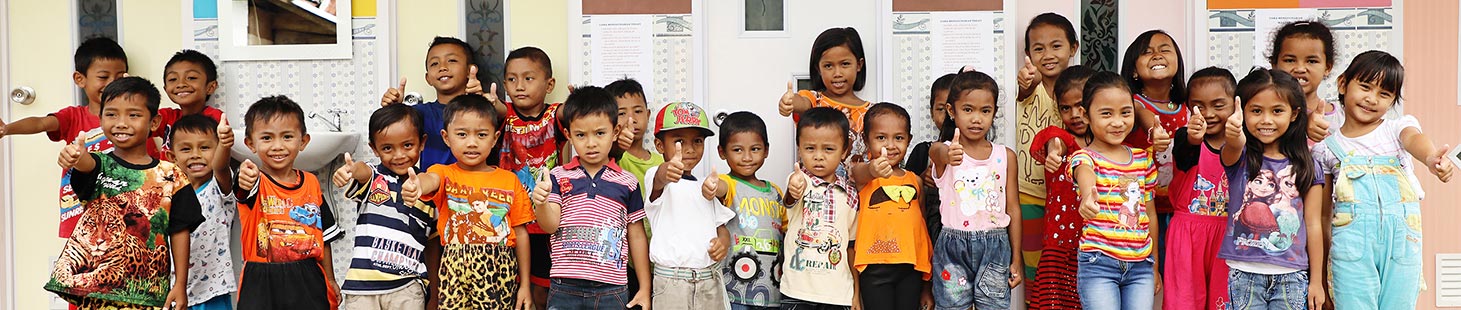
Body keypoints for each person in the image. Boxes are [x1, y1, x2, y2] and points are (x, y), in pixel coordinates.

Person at [47, 76, 202, 309]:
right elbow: (86, 164)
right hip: (96, 294)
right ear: (100, 120)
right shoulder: (98, 165)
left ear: (154, 122)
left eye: (134, 115)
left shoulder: (172, 175)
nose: (121, 122)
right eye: (111, 114)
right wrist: (75, 157)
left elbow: (180, 232)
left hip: (148, 294)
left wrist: (180, 284)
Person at [1315, 51, 1455, 309]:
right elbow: (1323, 216)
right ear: (1343, 84)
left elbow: (1415, 140)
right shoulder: (1326, 149)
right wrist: (1321, 278)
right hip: (1350, 251)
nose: (1372, 99)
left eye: (1384, 93)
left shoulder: (1396, 129)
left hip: (1402, 245)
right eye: (1365, 87)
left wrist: (1431, 158)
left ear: (1393, 100)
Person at [530, 86, 651, 310]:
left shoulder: (627, 182)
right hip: (565, 286)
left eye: (600, 133)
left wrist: (645, 287)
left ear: (615, 132)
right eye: (581, 135)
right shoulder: (557, 176)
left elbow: (636, 236)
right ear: (568, 134)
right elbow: (549, 225)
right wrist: (541, 203)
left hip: (611, 288)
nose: (591, 143)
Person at [1218, 68, 1327, 310]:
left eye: (1277, 111)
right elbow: (1233, 146)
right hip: (1244, 275)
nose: (1266, 120)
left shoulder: (1309, 166)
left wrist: (1317, 281)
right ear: (1243, 111)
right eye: (1256, 111)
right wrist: (1234, 133)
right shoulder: (1240, 157)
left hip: (1293, 276)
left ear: (1294, 114)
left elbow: (1313, 225)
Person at [0, 37, 129, 238]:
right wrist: (8, 128)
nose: (113, 83)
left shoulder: (136, 118)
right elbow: (41, 123)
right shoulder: (73, 116)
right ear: (80, 79)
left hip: (125, 210)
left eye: (120, 76)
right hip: (82, 213)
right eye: (103, 77)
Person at [420, 95, 537, 309]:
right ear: (446, 137)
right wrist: (416, 185)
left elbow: (521, 234)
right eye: (462, 134)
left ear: (494, 138)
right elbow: (429, 180)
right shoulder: (444, 173)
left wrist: (525, 285)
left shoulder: (509, 180)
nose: (472, 143)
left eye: (481, 134)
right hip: (453, 270)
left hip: (498, 270)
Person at [234, 95, 342, 310]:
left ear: (303, 141)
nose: (277, 146)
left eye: (287, 136)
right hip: (261, 279)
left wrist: (330, 279)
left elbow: (325, 238)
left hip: (308, 275)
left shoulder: (311, 183)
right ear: (250, 144)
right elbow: (242, 187)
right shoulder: (254, 181)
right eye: (266, 138)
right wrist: (243, 178)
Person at [928, 71, 1022, 310]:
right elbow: (935, 152)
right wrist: (947, 154)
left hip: (996, 246)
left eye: (985, 111)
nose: (976, 119)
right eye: (968, 110)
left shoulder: (1005, 156)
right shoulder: (946, 152)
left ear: (994, 113)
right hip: (952, 247)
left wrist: (1017, 257)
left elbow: (1013, 208)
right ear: (952, 111)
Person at [1068, 71, 1160, 310]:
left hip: (1141, 265)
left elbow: (1149, 214)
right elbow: (1084, 173)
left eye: (1125, 112)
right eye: (1106, 114)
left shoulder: (1142, 160)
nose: (1118, 122)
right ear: (1086, 115)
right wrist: (1088, 195)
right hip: (1099, 263)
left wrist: (1155, 265)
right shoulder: (1085, 157)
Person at [330, 104, 437, 309]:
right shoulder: (375, 178)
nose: (398, 155)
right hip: (363, 287)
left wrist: (433, 294)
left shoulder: (428, 188)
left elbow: (432, 245)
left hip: (408, 287)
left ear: (422, 142)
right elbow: (363, 172)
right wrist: (351, 170)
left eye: (407, 145)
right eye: (387, 148)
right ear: (374, 149)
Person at [644, 101, 734, 308]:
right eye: (679, 141)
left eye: (697, 141)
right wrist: (668, 168)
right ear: (659, 146)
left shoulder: (706, 184)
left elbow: (721, 227)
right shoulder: (657, 179)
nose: (690, 149)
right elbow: (660, 177)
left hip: (709, 280)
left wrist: (723, 242)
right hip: (672, 282)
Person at [1014, 13, 1081, 288]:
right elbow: (1024, 90)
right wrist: (1026, 81)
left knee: (1069, 270)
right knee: (1034, 271)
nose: (1048, 54)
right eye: (1038, 48)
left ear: (1073, 48)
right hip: (1030, 195)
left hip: (1072, 198)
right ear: (1027, 53)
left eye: (1056, 46)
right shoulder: (1029, 87)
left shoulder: (1081, 91)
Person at [1163, 67, 1239, 310]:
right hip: (1187, 237)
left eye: (1218, 105)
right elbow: (1186, 150)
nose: (1209, 114)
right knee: (1184, 302)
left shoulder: (1242, 143)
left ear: (1235, 104)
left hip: (1227, 236)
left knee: (1224, 301)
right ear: (1188, 107)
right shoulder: (1185, 138)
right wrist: (1195, 137)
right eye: (1199, 106)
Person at [499, 47, 568, 304]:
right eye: (512, 79)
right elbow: (492, 108)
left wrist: (577, 104)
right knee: (511, 287)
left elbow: (570, 114)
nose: (519, 86)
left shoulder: (555, 115)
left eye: (528, 78)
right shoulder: (503, 114)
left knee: (542, 289)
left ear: (549, 84)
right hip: (507, 219)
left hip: (544, 219)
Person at [851, 103, 933, 310]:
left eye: (898, 138)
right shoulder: (865, 176)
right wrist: (873, 168)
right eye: (881, 138)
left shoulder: (915, 181)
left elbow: (921, 225)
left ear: (909, 140)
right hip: (875, 266)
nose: (890, 145)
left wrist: (926, 285)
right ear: (866, 140)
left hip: (911, 266)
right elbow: (860, 172)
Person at [779, 107, 862, 309]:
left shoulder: (850, 195)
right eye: (810, 148)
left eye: (828, 149)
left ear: (844, 151)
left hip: (838, 295)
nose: (818, 156)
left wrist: (856, 293)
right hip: (797, 292)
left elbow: (851, 248)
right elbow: (791, 198)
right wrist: (795, 189)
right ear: (799, 148)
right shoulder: (800, 180)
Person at [1029, 65, 1096, 309]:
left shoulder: (1109, 144)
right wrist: (1054, 151)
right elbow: (1054, 140)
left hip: (1096, 243)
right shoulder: (1060, 137)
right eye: (1065, 108)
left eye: (1081, 105)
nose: (1074, 114)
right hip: (1058, 243)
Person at [707, 112, 786, 310]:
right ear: (722, 152)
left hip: (773, 289)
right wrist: (711, 185)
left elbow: (786, 229)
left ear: (766, 150)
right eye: (738, 150)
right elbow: (719, 188)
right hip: (736, 291)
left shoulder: (775, 191)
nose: (747, 157)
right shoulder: (729, 183)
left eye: (755, 149)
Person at [1119, 30, 1182, 274]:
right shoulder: (1129, 104)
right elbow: (1139, 110)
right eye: (1146, 52)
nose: (1156, 55)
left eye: (1164, 49)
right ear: (1134, 70)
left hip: (1180, 210)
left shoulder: (1188, 107)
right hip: (1142, 210)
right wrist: (1152, 129)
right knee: (1145, 275)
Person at [380, 37, 490, 170]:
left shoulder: (484, 110)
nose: (443, 67)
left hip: (475, 186)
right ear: (428, 78)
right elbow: (395, 132)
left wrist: (485, 101)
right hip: (432, 187)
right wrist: (395, 109)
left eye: (452, 60)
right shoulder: (420, 113)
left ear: (469, 70)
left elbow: (504, 113)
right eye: (434, 64)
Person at [169, 114, 238, 310]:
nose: (196, 154)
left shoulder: (218, 188)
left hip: (212, 290)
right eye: (185, 149)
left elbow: (221, 167)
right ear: (172, 158)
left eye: (205, 147)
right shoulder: (168, 194)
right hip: (172, 289)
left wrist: (225, 144)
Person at [778, 27, 873, 165]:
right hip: (815, 185)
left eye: (845, 64)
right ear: (818, 68)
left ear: (859, 65)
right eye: (828, 66)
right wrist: (789, 101)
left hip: (857, 186)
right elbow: (802, 103)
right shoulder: (814, 100)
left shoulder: (871, 112)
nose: (837, 73)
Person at [150, 50, 230, 163]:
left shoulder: (214, 117)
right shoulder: (166, 117)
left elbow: (222, 155)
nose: (181, 84)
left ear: (210, 87)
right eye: (173, 79)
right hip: (167, 179)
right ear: (165, 89)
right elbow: (139, 126)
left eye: (191, 78)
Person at [904, 73, 956, 243]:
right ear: (931, 112)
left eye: (954, 109)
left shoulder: (982, 153)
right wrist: (921, 178)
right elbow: (904, 189)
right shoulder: (922, 151)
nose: (948, 115)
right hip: (926, 230)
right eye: (941, 109)